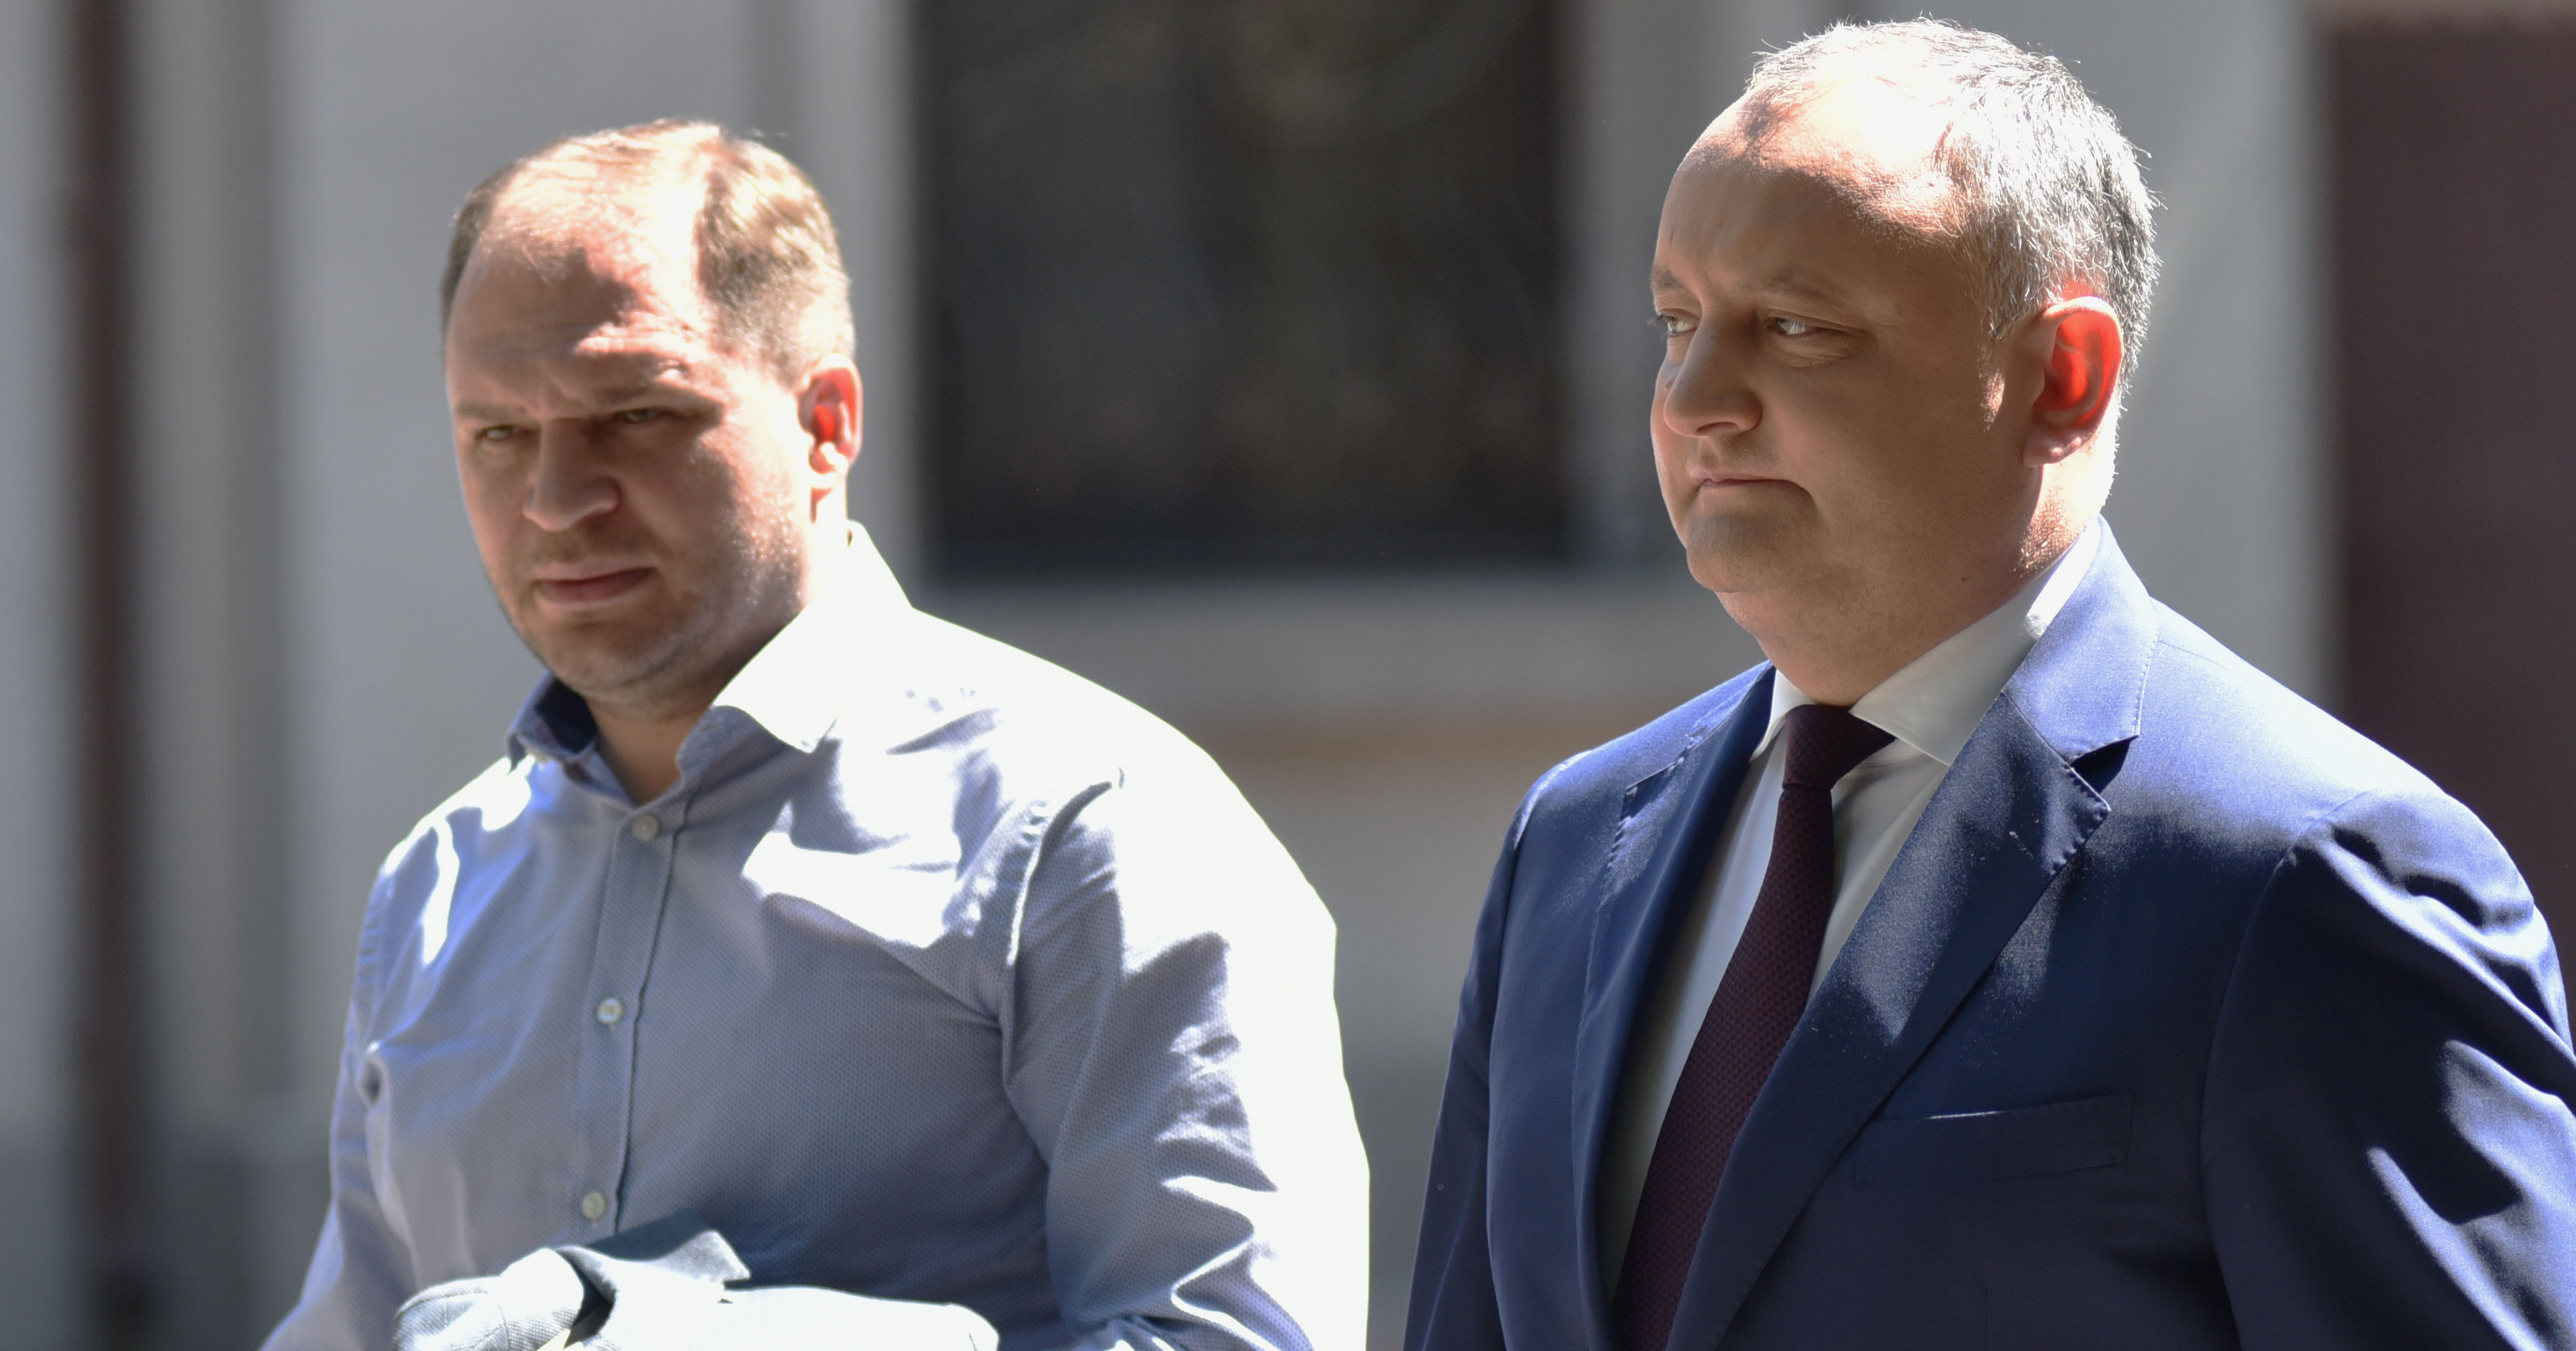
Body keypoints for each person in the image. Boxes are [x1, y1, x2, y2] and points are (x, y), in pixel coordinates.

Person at [1407, 19, 2576, 1351]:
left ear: (2061, 378)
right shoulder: (1572, 843)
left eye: (1794, 327)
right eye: (1678, 322)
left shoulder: (2302, 873)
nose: (1692, 398)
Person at [263, 120, 1366, 1350]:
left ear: (826, 421)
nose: (557, 500)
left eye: (635, 412)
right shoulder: (433, 891)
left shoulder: (1090, 829)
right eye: (498, 434)